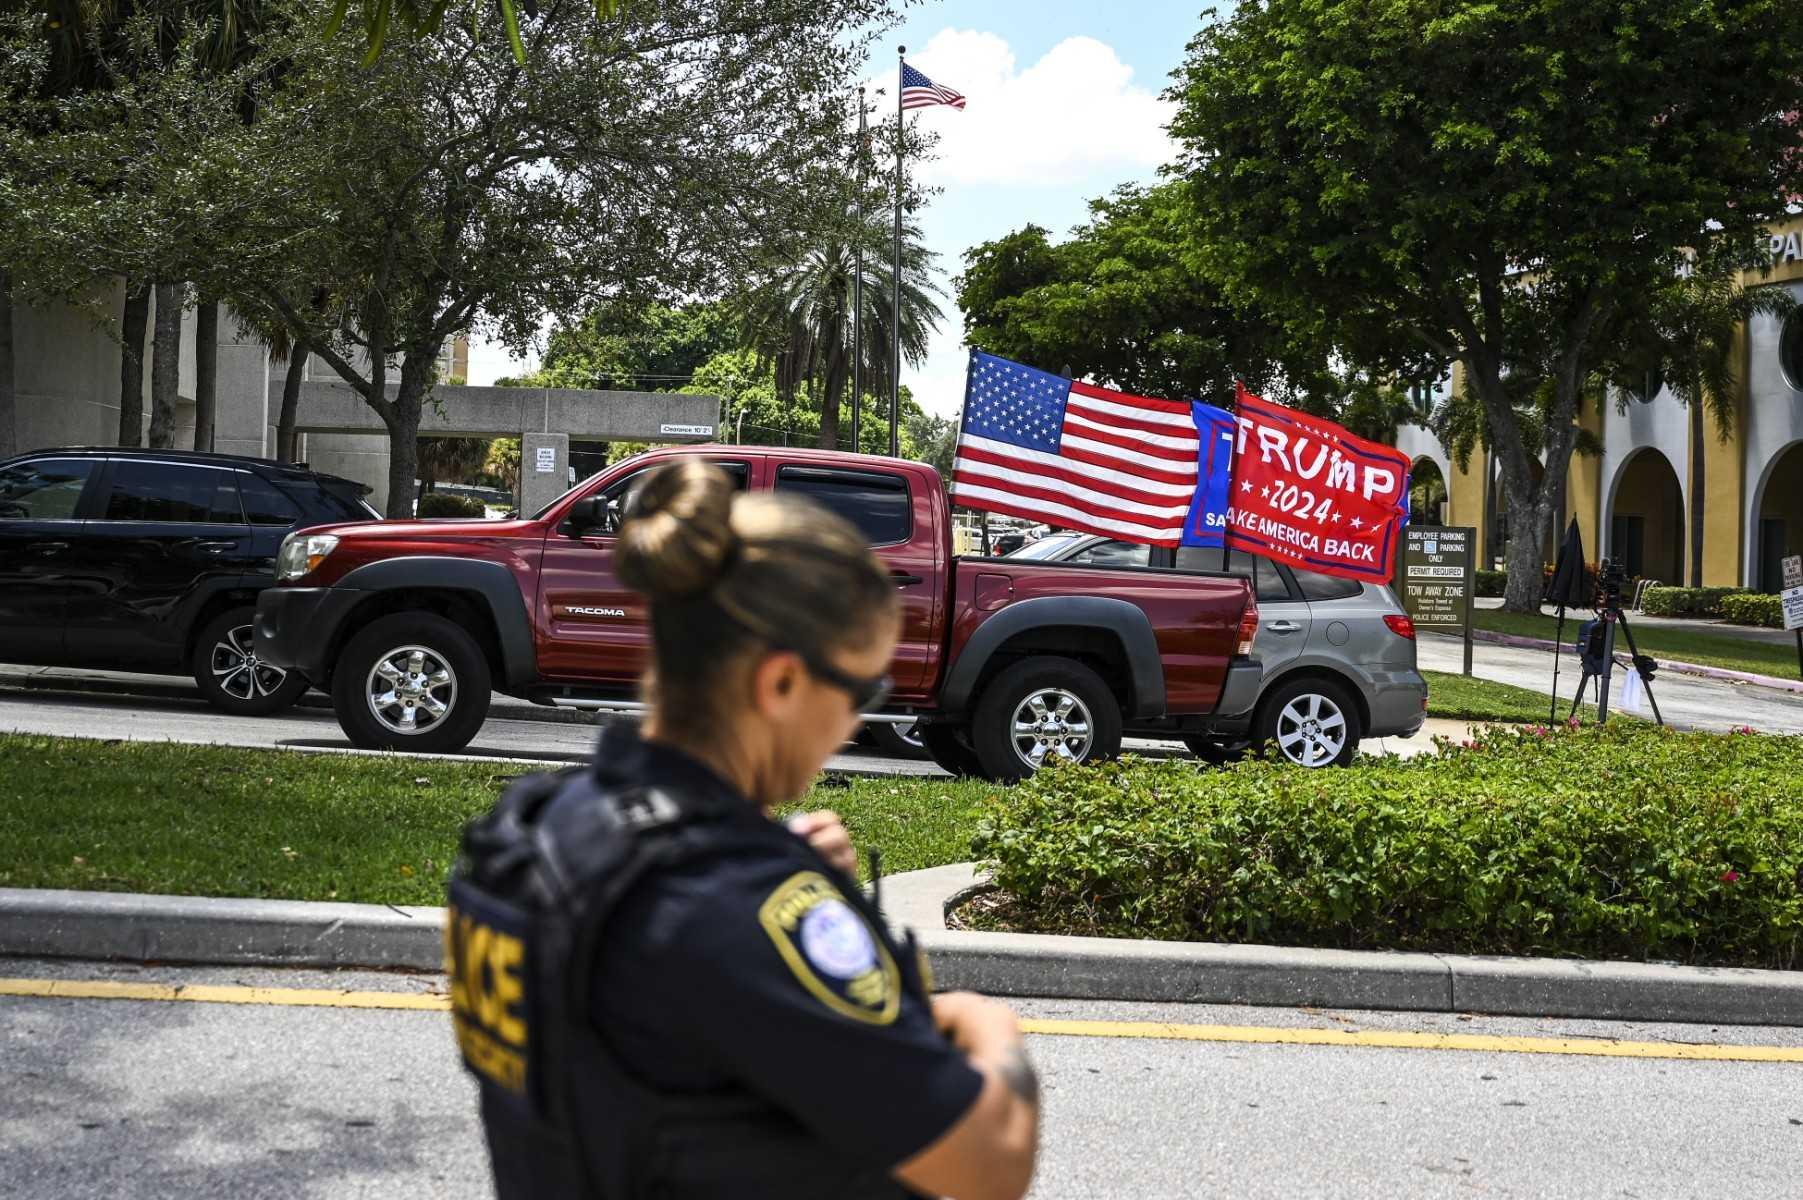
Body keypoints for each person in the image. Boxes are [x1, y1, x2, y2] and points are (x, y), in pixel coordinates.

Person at [445, 459, 1041, 1200]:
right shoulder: (734, 908)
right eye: (860, 690)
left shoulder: (535, 832)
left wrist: (766, 858)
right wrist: (987, 1029)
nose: (854, 721)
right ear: (781, 683)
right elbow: (990, 1162)